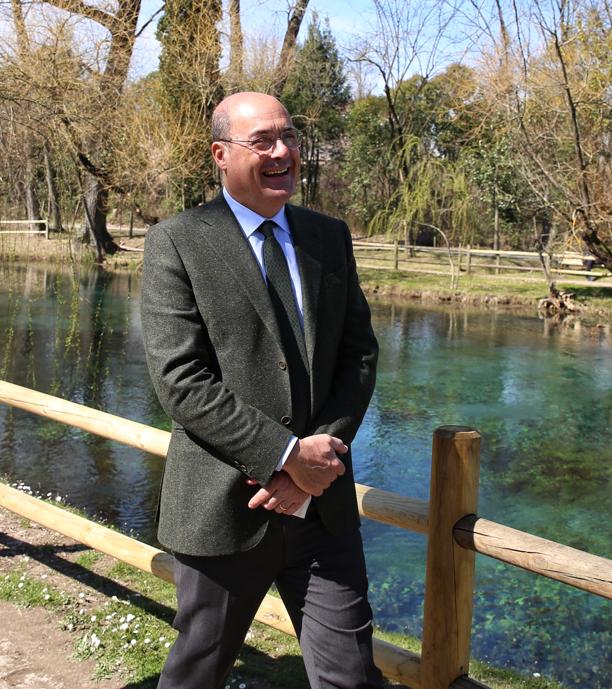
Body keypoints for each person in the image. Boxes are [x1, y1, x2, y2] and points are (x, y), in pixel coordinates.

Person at [141, 92, 383, 689]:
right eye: (263, 141)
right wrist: (283, 456)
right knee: (198, 672)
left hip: (321, 510)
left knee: (350, 676)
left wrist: (315, 460)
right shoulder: (177, 241)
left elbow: (358, 356)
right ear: (221, 155)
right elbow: (181, 379)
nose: (284, 152)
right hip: (225, 509)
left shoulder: (329, 238)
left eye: (290, 136)